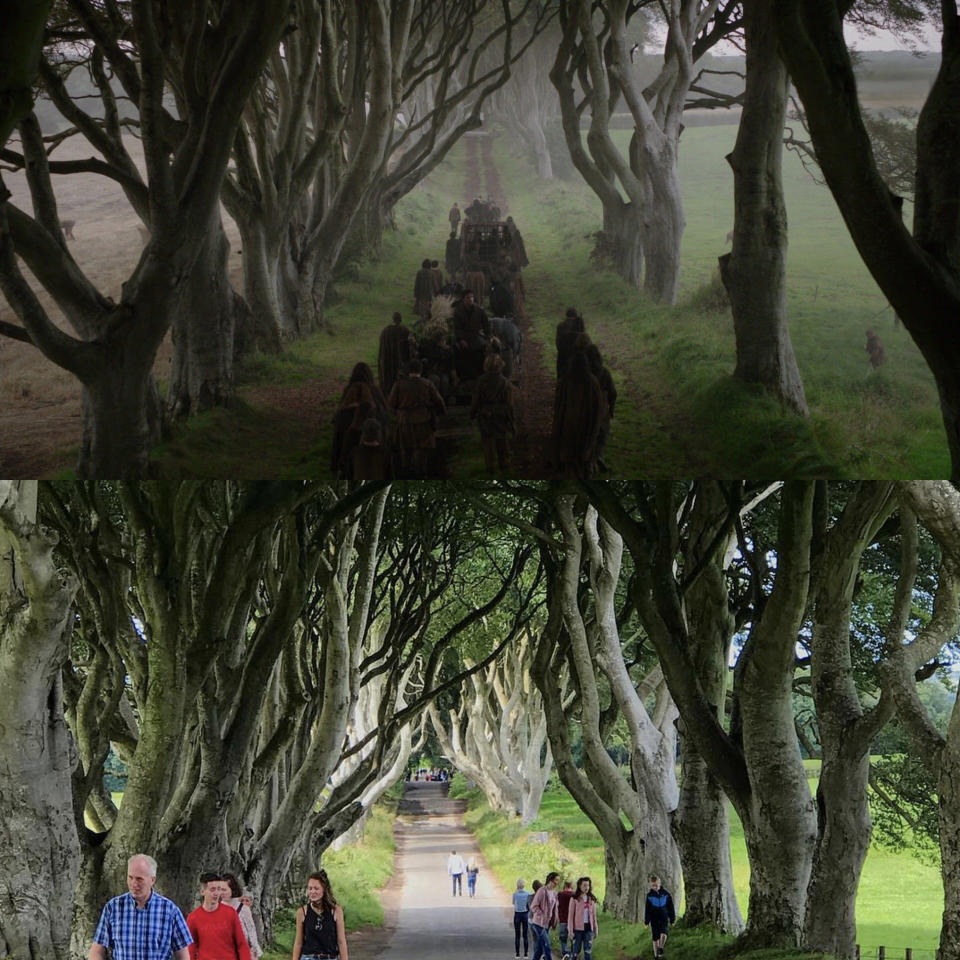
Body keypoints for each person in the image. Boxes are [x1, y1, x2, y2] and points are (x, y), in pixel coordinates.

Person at [90, 854, 192, 960]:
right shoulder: (113, 908)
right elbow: (96, 951)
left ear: (152, 880)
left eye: (139, 879)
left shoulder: (170, 911)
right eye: (130, 877)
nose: (134, 884)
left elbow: (183, 956)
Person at [387, 358, 446, 477]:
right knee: (422, 450)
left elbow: (391, 404)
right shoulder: (427, 383)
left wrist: (397, 416)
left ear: (408, 371)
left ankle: (407, 473)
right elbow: (439, 401)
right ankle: (421, 473)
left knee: (406, 450)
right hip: (423, 421)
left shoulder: (399, 384)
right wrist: (441, 413)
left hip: (405, 421)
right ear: (421, 370)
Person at [552, 351, 605, 478]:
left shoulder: (565, 381)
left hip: (568, 425)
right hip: (585, 425)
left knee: (571, 456)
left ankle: (573, 472)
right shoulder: (592, 383)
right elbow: (598, 408)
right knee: (582, 455)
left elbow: (558, 405)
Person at [331, 363, 389, 479]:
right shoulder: (374, 390)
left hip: (353, 430)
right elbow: (384, 411)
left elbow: (341, 413)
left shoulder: (351, 389)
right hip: (368, 428)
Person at [187, 872, 251, 960]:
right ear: (203, 891)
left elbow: (242, 944)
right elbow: (191, 949)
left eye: (219, 889)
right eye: (212, 889)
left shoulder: (230, 913)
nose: (216, 893)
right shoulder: (193, 918)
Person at [291, 870, 349, 960]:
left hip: (330, 957)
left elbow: (341, 941)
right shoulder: (302, 912)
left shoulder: (336, 911)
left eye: (316, 888)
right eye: (310, 888)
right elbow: (298, 942)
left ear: (324, 889)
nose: (312, 892)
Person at [471, 354, 514, 473]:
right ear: (500, 366)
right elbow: (509, 403)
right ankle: (503, 463)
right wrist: (511, 419)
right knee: (501, 440)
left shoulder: (481, 381)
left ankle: (490, 466)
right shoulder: (505, 382)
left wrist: (472, 413)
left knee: (487, 441)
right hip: (501, 414)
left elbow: (476, 399)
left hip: (485, 414)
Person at [585, 343, 616, 470]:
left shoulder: (583, 373)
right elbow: (613, 393)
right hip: (601, 408)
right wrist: (611, 409)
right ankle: (598, 457)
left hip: (585, 407)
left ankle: (589, 459)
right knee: (602, 434)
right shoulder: (604, 373)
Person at [453, 289, 491, 380]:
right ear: (463, 299)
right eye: (468, 297)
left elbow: (486, 324)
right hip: (464, 338)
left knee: (482, 350)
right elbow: (457, 328)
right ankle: (465, 377)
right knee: (461, 353)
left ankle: (481, 375)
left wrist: (489, 337)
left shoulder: (479, 310)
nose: (470, 299)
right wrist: (461, 339)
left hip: (475, 336)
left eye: (472, 297)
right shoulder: (458, 311)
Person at [222, 874, 262, 960]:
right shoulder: (216, 908)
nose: (221, 892)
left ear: (233, 889)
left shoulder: (243, 909)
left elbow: (251, 932)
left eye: (224, 889)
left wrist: (254, 952)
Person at [378, 311, 413, 398]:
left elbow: (381, 348)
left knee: (388, 380)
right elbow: (408, 348)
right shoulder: (405, 330)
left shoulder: (385, 331)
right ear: (400, 320)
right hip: (399, 361)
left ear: (393, 319)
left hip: (387, 360)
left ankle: (387, 397)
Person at [529, 871, 560, 960]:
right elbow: (533, 906)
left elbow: (555, 908)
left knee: (539, 949)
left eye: (558, 881)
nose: (557, 883)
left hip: (547, 924)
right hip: (538, 923)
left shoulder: (554, 893)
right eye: (556, 880)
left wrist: (555, 919)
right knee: (547, 945)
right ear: (550, 880)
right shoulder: (542, 891)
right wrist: (542, 915)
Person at [643, 875, 675, 960]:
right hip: (654, 919)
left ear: (659, 884)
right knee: (655, 938)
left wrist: (672, 919)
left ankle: (661, 948)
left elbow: (671, 907)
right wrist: (646, 922)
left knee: (664, 934)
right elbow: (647, 910)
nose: (655, 887)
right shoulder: (649, 896)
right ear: (651, 885)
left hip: (664, 918)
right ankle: (656, 956)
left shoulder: (666, 894)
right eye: (653, 885)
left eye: (656, 885)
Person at [566, 877, 598, 960]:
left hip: (588, 929)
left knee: (588, 951)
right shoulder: (574, 899)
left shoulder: (592, 899)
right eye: (584, 885)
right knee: (576, 951)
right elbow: (570, 916)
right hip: (577, 930)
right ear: (580, 886)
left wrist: (595, 929)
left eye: (588, 885)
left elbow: (594, 916)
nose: (586, 887)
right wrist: (570, 931)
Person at [555, 308, 585, 378]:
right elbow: (584, 343)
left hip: (562, 358)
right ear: (575, 316)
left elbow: (558, 344)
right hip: (576, 360)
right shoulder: (578, 326)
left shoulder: (560, 326)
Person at [513, 879, 532, 959]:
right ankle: (526, 954)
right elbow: (529, 905)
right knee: (525, 935)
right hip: (525, 915)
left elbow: (514, 903)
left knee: (517, 935)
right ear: (524, 885)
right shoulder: (528, 894)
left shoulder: (515, 894)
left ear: (517, 885)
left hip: (517, 914)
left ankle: (517, 954)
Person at [556, 881, 574, 960]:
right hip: (572, 920)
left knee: (563, 938)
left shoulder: (560, 894)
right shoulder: (574, 895)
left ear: (564, 886)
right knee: (573, 937)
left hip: (562, 918)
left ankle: (564, 952)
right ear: (571, 886)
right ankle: (573, 953)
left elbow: (557, 906)